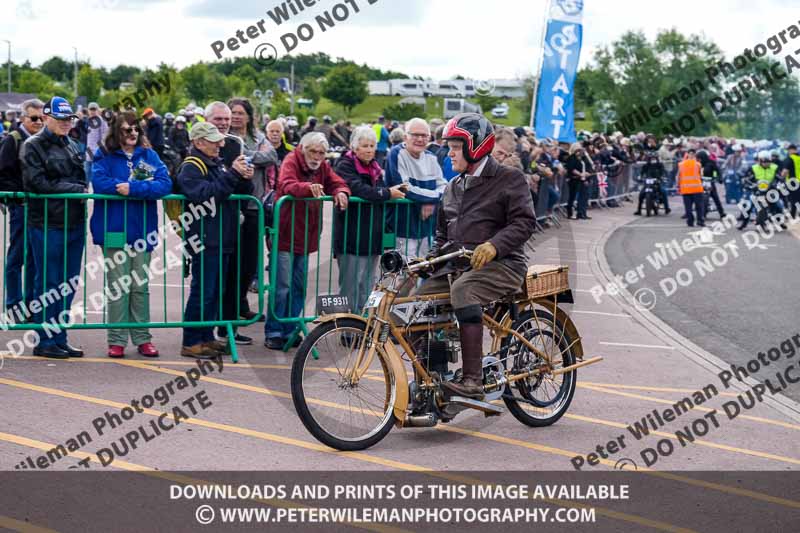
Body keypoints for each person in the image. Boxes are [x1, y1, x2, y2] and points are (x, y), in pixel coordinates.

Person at [418, 113, 535, 399]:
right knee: (414, 304)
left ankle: (473, 381)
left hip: (504, 265)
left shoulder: (510, 178)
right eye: (448, 147)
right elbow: (443, 237)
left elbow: (525, 222)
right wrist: (426, 262)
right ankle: (432, 381)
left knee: (464, 291)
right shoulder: (453, 187)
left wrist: (494, 245)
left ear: (476, 146)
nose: (449, 153)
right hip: (457, 266)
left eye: (455, 147)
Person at [90, 111, 172, 358]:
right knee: (117, 287)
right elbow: (99, 181)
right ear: (117, 131)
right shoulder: (103, 154)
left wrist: (134, 188)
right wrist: (123, 187)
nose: (133, 133)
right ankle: (116, 340)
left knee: (140, 286)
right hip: (113, 230)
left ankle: (142, 337)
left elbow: (165, 184)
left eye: (136, 129)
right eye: (127, 129)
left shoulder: (149, 155)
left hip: (142, 231)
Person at [264, 132, 350, 350]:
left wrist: (341, 191)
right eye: (313, 151)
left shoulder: (322, 166)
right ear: (303, 148)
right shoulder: (291, 160)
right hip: (285, 234)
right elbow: (286, 184)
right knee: (281, 286)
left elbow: (336, 182)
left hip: (306, 236)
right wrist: (306, 187)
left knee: (298, 286)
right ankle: (274, 331)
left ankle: (290, 329)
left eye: (321, 153)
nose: (317, 156)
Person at [177, 123, 254, 359]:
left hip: (221, 236)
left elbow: (233, 192)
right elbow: (205, 195)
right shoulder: (191, 166)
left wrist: (243, 178)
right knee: (202, 291)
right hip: (206, 238)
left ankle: (206, 337)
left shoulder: (215, 164)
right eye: (214, 140)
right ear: (199, 142)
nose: (221, 144)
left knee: (213, 292)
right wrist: (232, 174)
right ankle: (191, 341)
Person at [21, 97, 88, 359]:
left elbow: (81, 178)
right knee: (48, 283)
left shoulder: (73, 144)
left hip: (73, 222)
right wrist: (74, 189)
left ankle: (60, 336)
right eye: (59, 119)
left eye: (68, 119)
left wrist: (73, 188)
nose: (64, 123)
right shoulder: (32, 146)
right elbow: (37, 183)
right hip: (46, 224)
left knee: (68, 283)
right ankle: (44, 340)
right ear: (47, 117)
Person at [333, 126, 406, 312]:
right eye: (364, 145)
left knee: (367, 285)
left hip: (371, 237)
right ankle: (346, 326)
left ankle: (363, 325)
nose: (369, 149)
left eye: (372, 145)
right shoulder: (344, 165)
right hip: (352, 236)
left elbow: (377, 192)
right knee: (349, 287)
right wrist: (388, 193)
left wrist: (392, 191)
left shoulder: (374, 167)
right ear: (354, 147)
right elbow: (359, 189)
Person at [0, 98, 43, 316]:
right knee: (17, 255)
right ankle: (13, 304)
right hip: (22, 206)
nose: (38, 122)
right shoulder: (13, 140)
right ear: (23, 118)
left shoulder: (45, 140)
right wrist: (19, 195)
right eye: (34, 118)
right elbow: (4, 173)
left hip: (41, 208)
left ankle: (32, 304)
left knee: (35, 258)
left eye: (42, 118)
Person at [385, 118, 447, 259]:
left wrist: (430, 201)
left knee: (426, 270)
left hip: (428, 227)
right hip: (402, 226)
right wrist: (432, 199)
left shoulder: (431, 157)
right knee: (404, 274)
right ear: (406, 136)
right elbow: (404, 188)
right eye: (415, 135)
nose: (420, 139)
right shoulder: (396, 154)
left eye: (424, 135)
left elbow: (443, 186)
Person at [738, 150, 784, 230]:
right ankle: (744, 223)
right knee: (747, 206)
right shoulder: (753, 168)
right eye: (764, 161)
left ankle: (780, 222)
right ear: (760, 161)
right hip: (756, 190)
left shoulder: (775, 167)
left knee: (779, 206)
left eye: (768, 161)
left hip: (771, 190)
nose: (766, 163)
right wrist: (747, 184)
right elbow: (746, 178)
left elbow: (780, 177)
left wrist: (780, 183)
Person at [564, 143, 593, 220]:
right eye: (578, 150)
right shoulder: (571, 158)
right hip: (574, 179)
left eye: (580, 150)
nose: (579, 152)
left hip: (582, 179)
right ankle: (570, 213)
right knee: (572, 197)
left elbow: (587, 166)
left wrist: (587, 173)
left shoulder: (583, 158)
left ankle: (582, 212)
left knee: (584, 196)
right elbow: (571, 168)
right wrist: (580, 174)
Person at [677, 149, 705, 227]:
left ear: (687, 154)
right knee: (699, 207)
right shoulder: (698, 164)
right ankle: (700, 221)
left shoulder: (681, 164)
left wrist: (678, 186)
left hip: (685, 189)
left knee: (688, 207)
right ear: (695, 155)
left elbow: (678, 176)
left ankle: (690, 221)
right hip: (697, 189)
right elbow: (701, 175)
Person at [696, 149, 726, 218]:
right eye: (698, 158)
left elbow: (718, 170)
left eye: (700, 158)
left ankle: (721, 212)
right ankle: (701, 213)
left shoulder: (711, 162)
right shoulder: (697, 164)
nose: (699, 160)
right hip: (700, 182)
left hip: (710, 182)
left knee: (715, 197)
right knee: (700, 198)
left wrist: (719, 178)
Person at [85, 102, 108, 182]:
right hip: (88, 151)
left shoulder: (102, 121)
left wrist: (100, 151)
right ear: (88, 110)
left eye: (94, 109)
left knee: (95, 174)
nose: (92, 111)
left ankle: (94, 192)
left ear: (98, 110)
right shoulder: (88, 121)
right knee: (86, 173)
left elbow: (104, 137)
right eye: (91, 109)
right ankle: (86, 190)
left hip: (97, 152)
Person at [780, 143, 800, 218]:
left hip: (792, 183)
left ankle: (792, 215)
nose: (788, 152)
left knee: (793, 200)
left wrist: (782, 177)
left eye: (788, 150)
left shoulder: (789, 159)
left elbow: (784, 172)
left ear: (791, 150)